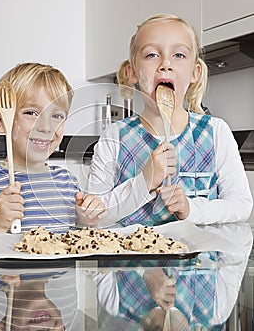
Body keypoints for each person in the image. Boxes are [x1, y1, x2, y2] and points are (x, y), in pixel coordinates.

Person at [87, 13, 253, 227]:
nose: (165, 64)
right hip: (127, 260)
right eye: (151, 55)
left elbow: (241, 206)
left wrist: (191, 209)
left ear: (195, 72)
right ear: (132, 72)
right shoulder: (115, 136)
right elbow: (92, 216)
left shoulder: (215, 132)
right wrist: (144, 181)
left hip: (202, 260)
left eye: (179, 55)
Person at [0, 62, 107, 241]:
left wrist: (87, 221)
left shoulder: (68, 182)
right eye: (31, 113)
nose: (46, 127)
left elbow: (77, 245)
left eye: (56, 116)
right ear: (0, 121)